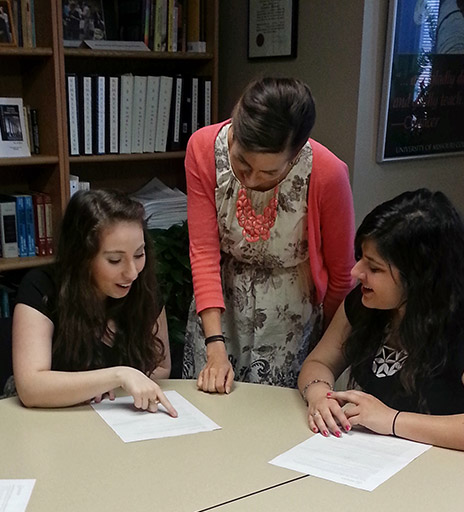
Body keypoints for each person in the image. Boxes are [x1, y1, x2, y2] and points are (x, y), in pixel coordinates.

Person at [183, 77, 355, 393]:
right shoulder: (203, 148)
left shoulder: (328, 173)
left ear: (295, 155)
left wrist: (327, 354)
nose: (250, 179)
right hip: (220, 311)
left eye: (268, 172)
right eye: (242, 163)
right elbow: (204, 251)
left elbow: (342, 278)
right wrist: (214, 345)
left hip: (291, 321)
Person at [298, 188, 464, 451]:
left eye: (373, 268)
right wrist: (320, 395)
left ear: (419, 278)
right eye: (360, 258)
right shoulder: (365, 303)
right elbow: (319, 362)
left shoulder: (456, 326)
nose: (356, 272)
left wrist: (393, 421)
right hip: (369, 458)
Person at [13, 189, 177, 416]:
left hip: (122, 422)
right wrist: (117, 376)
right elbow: (31, 388)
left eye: (139, 255)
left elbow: (161, 367)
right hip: (54, 423)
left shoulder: (142, 286)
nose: (131, 273)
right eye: (115, 260)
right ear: (82, 257)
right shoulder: (42, 288)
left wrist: (120, 383)